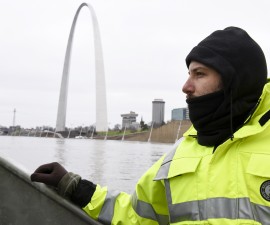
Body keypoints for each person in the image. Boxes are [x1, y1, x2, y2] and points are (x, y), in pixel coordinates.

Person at [31, 26, 270, 225]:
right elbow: (138, 216)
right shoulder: (177, 156)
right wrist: (76, 188)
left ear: (234, 81)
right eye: (188, 73)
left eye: (199, 74)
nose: (185, 86)